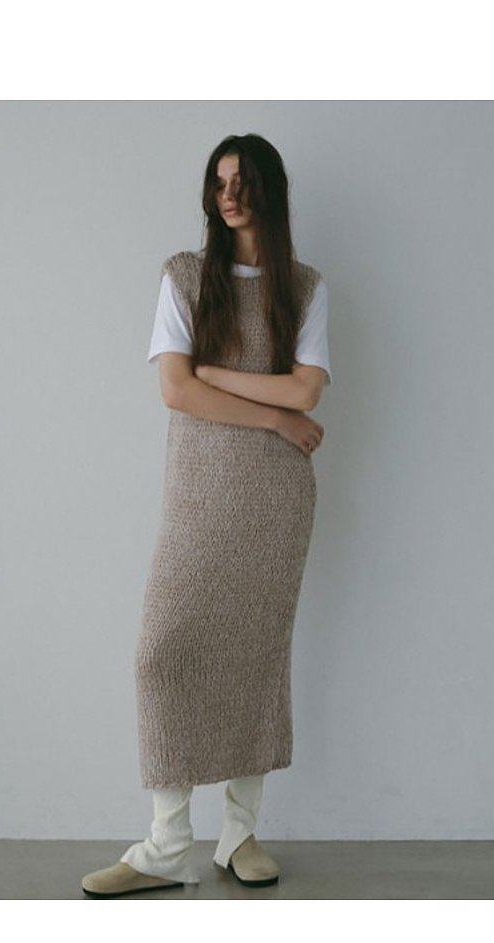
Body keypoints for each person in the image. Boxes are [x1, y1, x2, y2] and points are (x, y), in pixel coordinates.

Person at [82, 133, 331, 898]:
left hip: (275, 499)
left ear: (269, 191)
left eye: (243, 182)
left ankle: (239, 835)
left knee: (255, 659)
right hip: (200, 490)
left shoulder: (304, 286)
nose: (229, 195)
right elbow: (176, 391)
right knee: (162, 654)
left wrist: (221, 373)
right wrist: (274, 414)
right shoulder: (185, 277)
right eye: (219, 182)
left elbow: (307, 391)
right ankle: (165, 845)